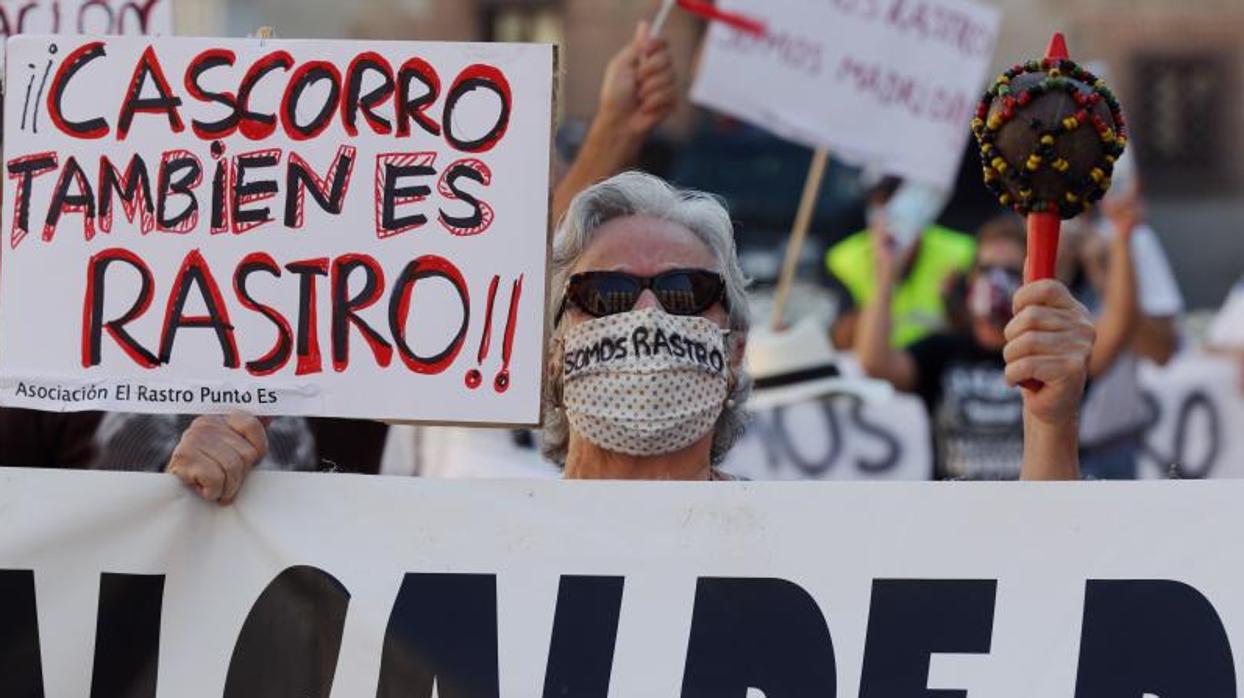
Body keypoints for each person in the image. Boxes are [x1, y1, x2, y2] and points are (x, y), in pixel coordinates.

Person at [167, 172, 1091, 498]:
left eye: (686, 290)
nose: (648, 316)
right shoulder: (463, 518)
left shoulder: (818, 536)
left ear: (733, 352)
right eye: (606, 293)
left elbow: (1028, 610)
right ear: (553, 348)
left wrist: (1051, 429)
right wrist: (206, 508)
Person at [856, 213, 1095, 480]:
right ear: (970, 278)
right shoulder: (943, 349)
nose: (995, 280)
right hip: (958, 513)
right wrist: (886, 273)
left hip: (1032, 507)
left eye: (1010, 271)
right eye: (985, 268)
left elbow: (1109, 333)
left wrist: (1120, 235)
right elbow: (874, 362)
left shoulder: (1052, 354)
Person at [1063, 183, 1184, 478]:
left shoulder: (1128, 239)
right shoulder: (1023, 236)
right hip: (1029, 445)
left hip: (1112, 448)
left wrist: (1104, 274)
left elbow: (1161, 350)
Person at [825, 177, 976, 350]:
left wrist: (955, 306)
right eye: (878, 202)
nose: (885, 213)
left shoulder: (963, 253)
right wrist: (885, 276)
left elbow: (976, 334)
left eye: (892, 198)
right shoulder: (842, 260)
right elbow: (839, 342)